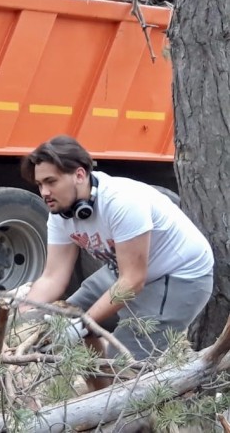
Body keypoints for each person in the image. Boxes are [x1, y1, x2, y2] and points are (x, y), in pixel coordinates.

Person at [20, 135, 214, 376]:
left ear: (79, 175)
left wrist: (82, 324)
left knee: (120, 368)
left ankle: (114, 402)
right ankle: (93, 402)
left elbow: (132, 280)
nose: (44, 192)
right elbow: (52, 277)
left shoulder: (122, 202)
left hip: (178, 279)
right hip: (122, 273)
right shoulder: (61, 213)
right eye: (40, 184)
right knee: (64, 316)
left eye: (51, 181)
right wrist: (22, 319)